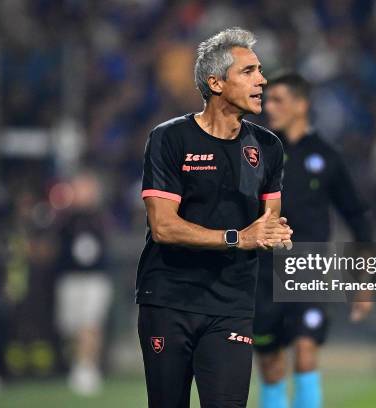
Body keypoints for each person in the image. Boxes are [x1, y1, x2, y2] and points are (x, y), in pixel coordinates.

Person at [136, 27, 293, 408]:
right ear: (216, 82)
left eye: (261, 71)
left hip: (231, 305)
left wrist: (276, 233)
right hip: (169, 300)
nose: (263, 80)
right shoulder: (169, 139)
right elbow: (163, 226)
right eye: (249, 71)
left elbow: (268, 223)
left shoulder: (268, 148)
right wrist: (238, 237)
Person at [253, 72, 374, 408]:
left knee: (306, 350)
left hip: (308, 267)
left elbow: (357, 216)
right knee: (271, 364)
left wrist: (363, 279)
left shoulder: (326, 157)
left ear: (301, 104)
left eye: (278, 100)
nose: (269, 106)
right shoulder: (257, 152)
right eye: (268, 99)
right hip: (261, 270)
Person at [55, 171, 113, 395]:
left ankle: (87, 368)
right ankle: (77, 364)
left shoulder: (100, 216)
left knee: (91, 323)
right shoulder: (65, 218)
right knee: (71, 327)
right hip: (70, 279)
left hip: (94, 278)